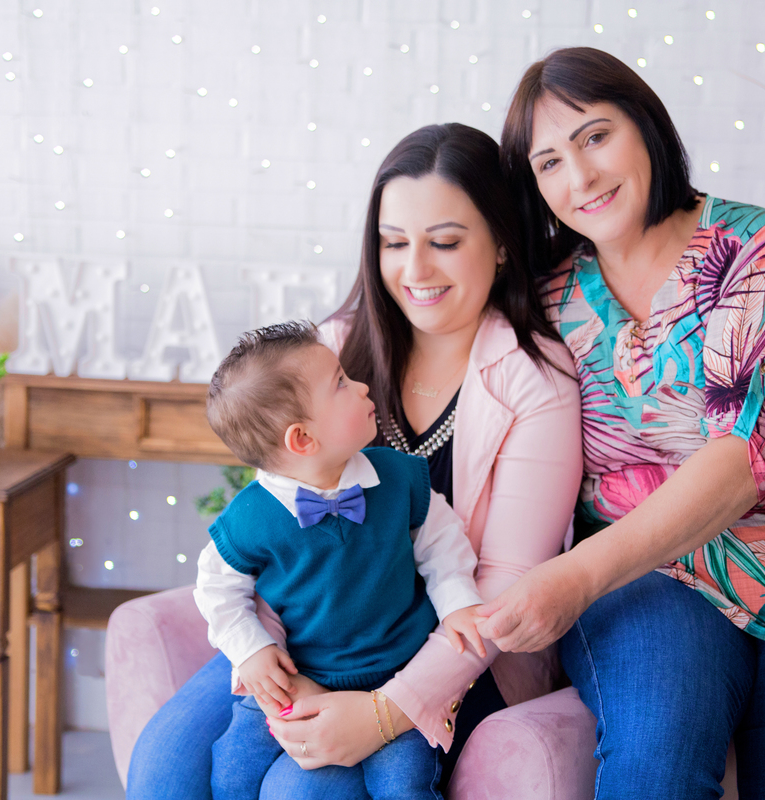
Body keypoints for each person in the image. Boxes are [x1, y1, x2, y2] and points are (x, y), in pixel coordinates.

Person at [473, 46, 765, 799]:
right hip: (648, 580)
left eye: (595, 137)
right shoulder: (545, 301)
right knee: (656, 767)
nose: (580, 178)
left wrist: (570, 578)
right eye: (548, 163)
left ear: (645, 126)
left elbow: (744, 459)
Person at [125, 123, 583, 799]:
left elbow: (502, 595)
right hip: (311, 641)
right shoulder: (334, 348)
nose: (415, 270)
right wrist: (285, 666)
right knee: (166, 767)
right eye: (394, 243)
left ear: (505, 243)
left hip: (447, 656)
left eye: (446, 243)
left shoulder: (535, 383)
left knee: (306, 791)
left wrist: (380, 714)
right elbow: (282, 524)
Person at [195, 320, 489, 800]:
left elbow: (442, 545)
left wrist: (457, 602)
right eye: (340, 384)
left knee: (404, 782)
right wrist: (249, 649)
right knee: (232, 768)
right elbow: (216, 589)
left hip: (396, 671)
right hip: (297, 676)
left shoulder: (399, 478)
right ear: (303, 440)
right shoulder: (250, 517)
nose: (362, 385)